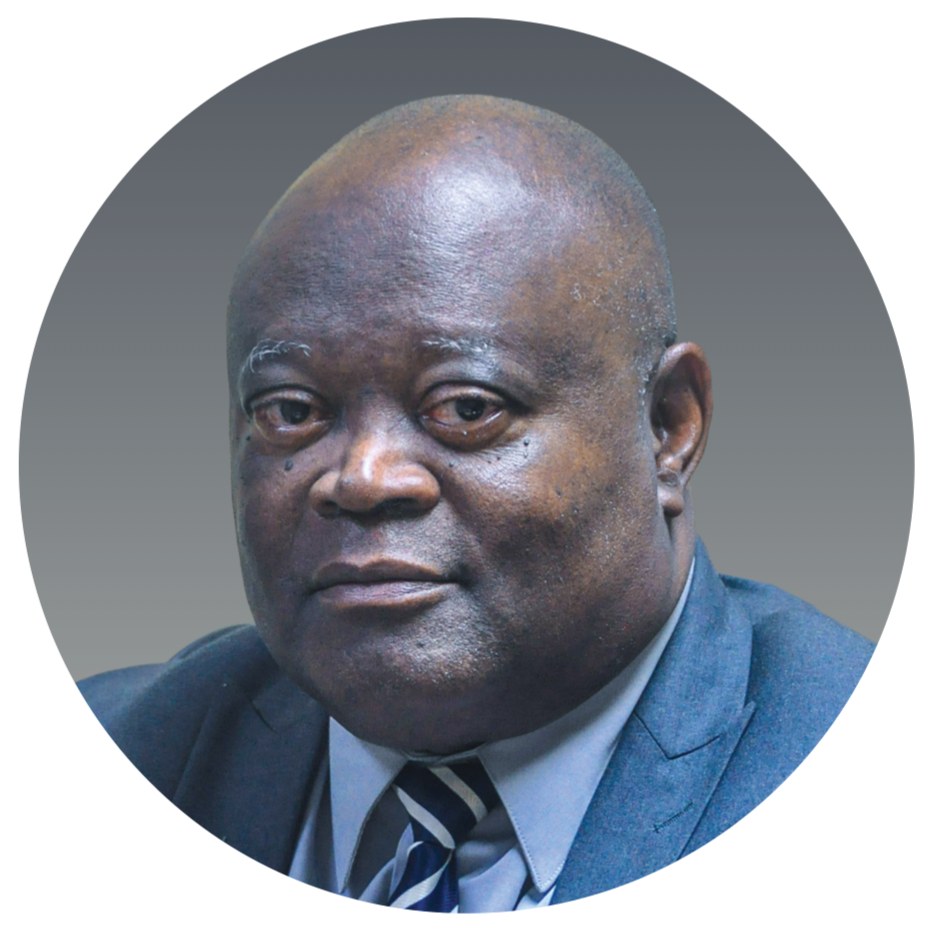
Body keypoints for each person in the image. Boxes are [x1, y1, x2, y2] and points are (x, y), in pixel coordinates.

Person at [79, 96, 873, 912]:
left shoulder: (818, 735)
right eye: (291, 411)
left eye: (465, 407)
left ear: (667, 425)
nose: (363, 477)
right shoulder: (129, 747)